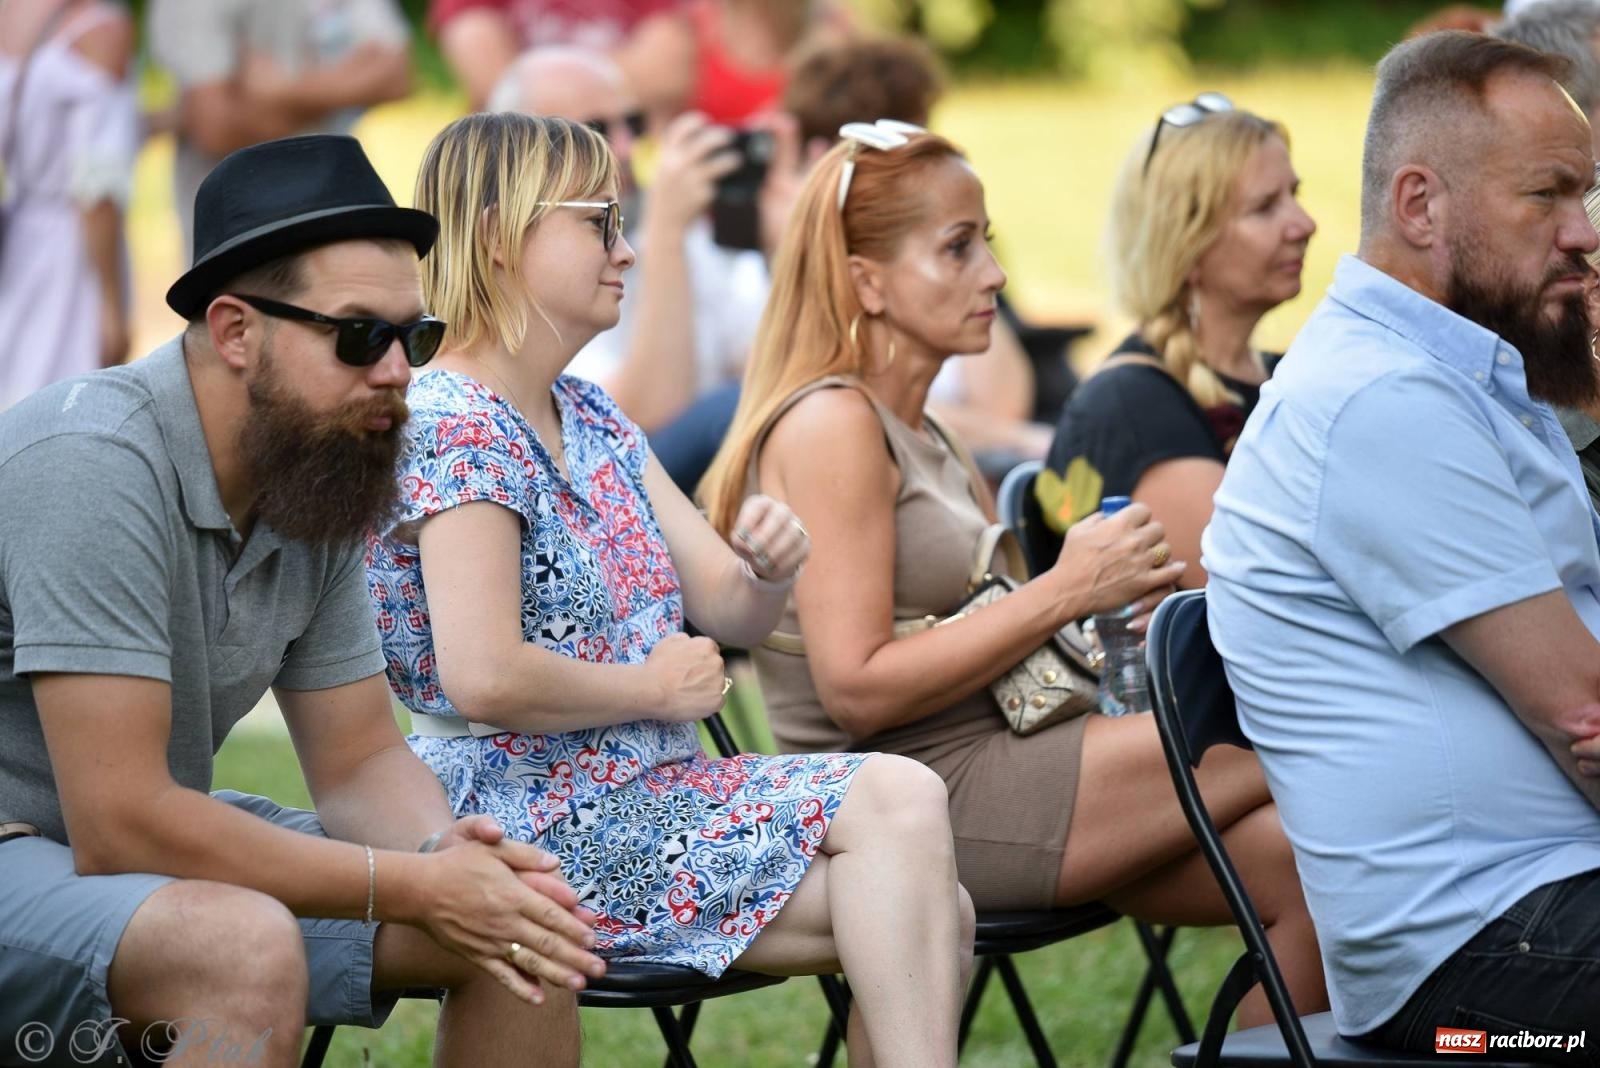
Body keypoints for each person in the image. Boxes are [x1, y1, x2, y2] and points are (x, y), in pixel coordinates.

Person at [366, 112, 974, 1066]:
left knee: (930, 902)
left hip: (649, 799)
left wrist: (769, 568)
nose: (628, 250)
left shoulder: (590, 414)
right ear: (498, 236)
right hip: (524, 825)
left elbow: (728, 607)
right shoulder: (454, 424)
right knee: (909, 835)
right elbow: (483, 674)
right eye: (600, 223)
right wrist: (650, 688)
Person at [699, 120, 1327, 1029]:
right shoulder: (834, 425)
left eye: (985, 242)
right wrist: (1065, 589)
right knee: (1297, 718)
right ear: (865, 280)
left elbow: (972, 625)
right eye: (957, 248)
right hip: (909, 794)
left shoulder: (922, 425)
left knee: (1308, 876)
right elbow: (857, 689)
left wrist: (1095, 616)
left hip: (1005, 753)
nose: (994, 275)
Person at [0, 134, 606, 1066]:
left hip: (101, 854)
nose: (398, 371)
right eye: (359, 336)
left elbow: (359, 759)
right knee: (237, 947)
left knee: (521, 924)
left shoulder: (312, 464)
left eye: (415, 337)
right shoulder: (92, 462)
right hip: (34, 841)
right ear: (236, 331)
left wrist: (449, 861)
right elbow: (121, 822)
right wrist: (413, 889)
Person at [1205, 31, 1600, 1058]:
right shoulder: (1380, 401)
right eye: (1548, 195)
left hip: (1543, 904)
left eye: (1586, 194)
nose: (1583, 234)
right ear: (1420, 205)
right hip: (1478, 951)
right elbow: (1582, 716)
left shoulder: (1469, 378)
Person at [1037, 95, 1316, 585]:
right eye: (1265, 207)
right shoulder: (1133, 408)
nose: (1304, 224)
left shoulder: (1291, 374)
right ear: (1186, 242)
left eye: (1294, 195)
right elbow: (1261, 597)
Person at [148, 0, 412, 250]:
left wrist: (283, 91)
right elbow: (216, 128)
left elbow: (397, 76)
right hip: (238, 241)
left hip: (338, 218)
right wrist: (340, 85)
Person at [0, 0, 136, 411]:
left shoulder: (11, 16)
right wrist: (111, 304)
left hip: (18, 237)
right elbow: (96, 186)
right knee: (63, 405)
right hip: (73, 253)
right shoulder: (101, 29)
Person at [430, 0, 686, 114]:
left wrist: (543, 83)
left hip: (636, 163)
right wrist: (620, 75)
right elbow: (493, 83)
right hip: (520, 164)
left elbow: (668, 74)